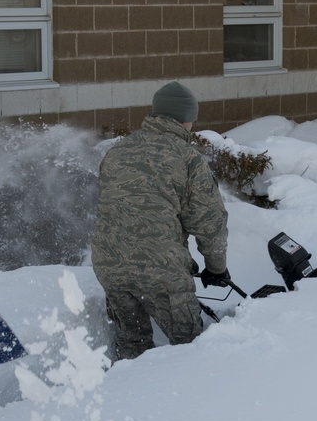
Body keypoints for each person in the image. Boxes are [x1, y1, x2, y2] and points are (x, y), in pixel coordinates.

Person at [91, 81, 230, 361]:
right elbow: (209, 222)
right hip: (160, 270)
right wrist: (216, 268)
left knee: (132, 346)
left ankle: (130, 399)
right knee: (190, 348)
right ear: (186, 118)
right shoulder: (187, 158)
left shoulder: (117, 151)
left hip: (109, 265)